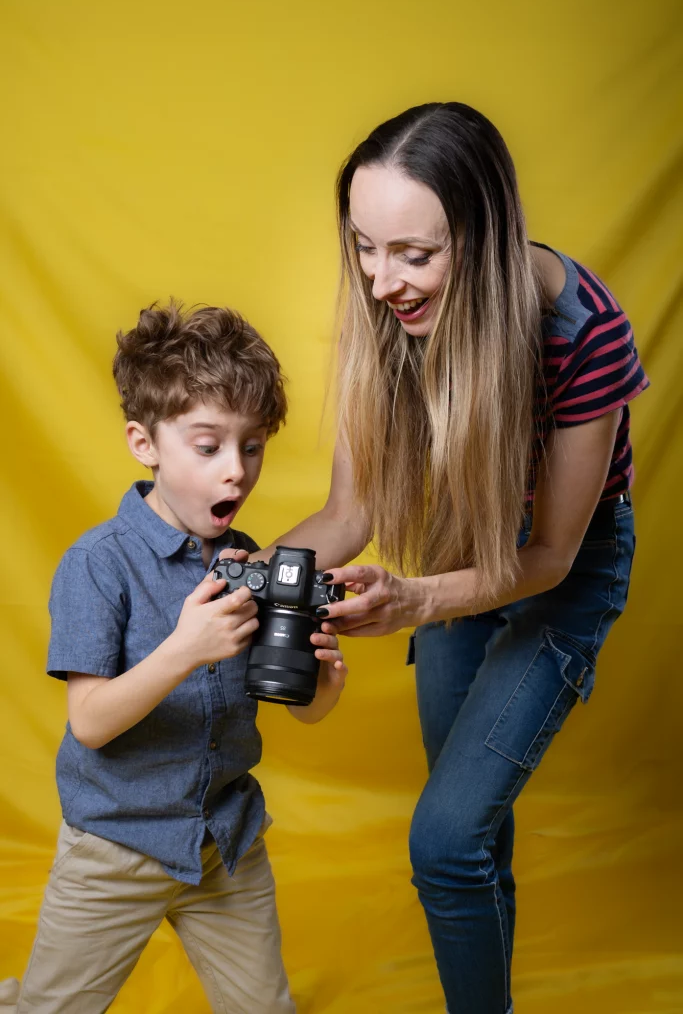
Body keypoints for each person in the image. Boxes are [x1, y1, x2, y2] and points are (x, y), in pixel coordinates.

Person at [223, 103, 650, 1013]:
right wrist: (231, 571)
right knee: (473, 846)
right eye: (364, 247)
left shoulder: (583, 331)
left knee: (444, 839)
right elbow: (351, 513)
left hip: (554, 573)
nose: (382, 281)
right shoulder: (386, 317)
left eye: (414, 255)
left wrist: (415, 600)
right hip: (456, 542)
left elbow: (546, 556)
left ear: (486, 235)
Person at [11, 302, 348, 1014]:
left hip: (224, 841)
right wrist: (183, 651)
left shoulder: (246, 558)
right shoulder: (97, 565)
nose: (237, 471)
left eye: (253, 446)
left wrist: (323, 680)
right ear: (145, 442)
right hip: (116, 848)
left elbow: (303, 709)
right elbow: (92, 724)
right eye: (208, 446)